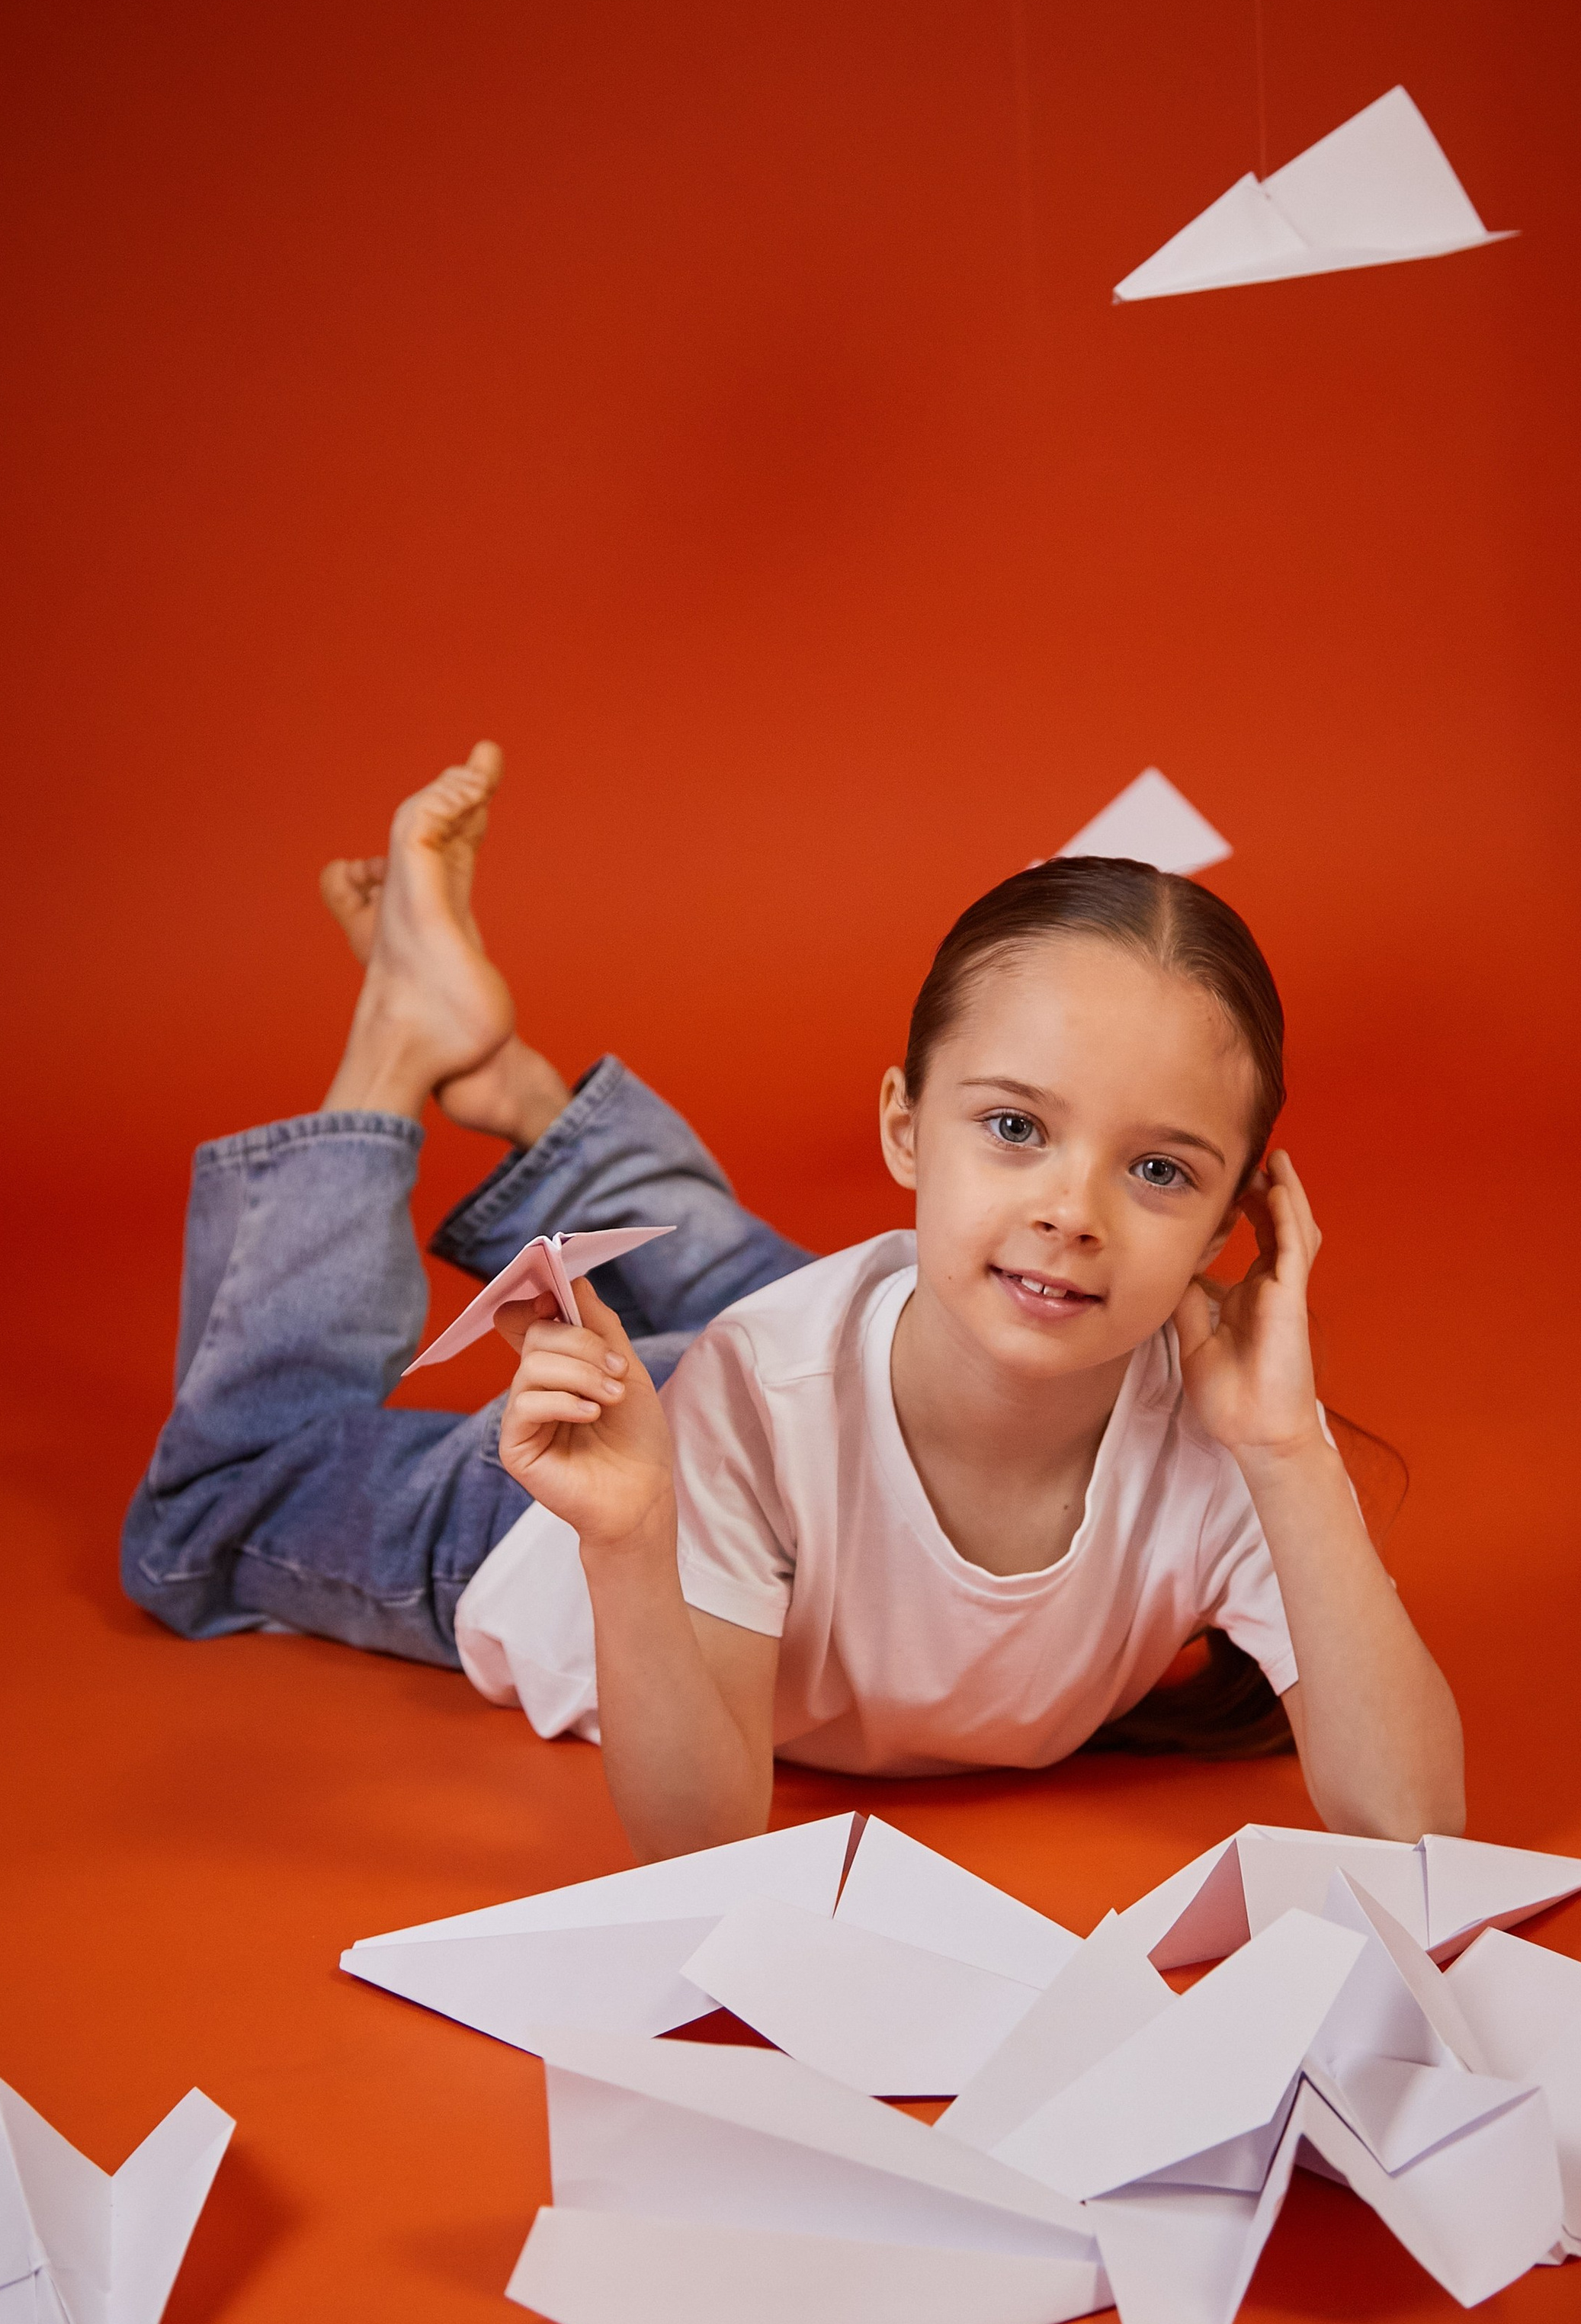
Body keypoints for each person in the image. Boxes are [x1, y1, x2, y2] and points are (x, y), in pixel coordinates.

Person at [124, 742, 1464, 1861]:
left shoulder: (1222, 1435)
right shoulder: (759, 1401)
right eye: (1013, 1127)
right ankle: (403, 1036)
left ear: (1242, 1226)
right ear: (902, 1128)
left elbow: (1416, 1827)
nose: (1075, 1209)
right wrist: (631, 1536)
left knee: (804, 1320)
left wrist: (1289, 1451)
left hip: (834, 1376)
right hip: (630, 1492)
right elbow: (702, 1839)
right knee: (217, 1511)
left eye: (1159, 1168)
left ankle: (533, 1098)